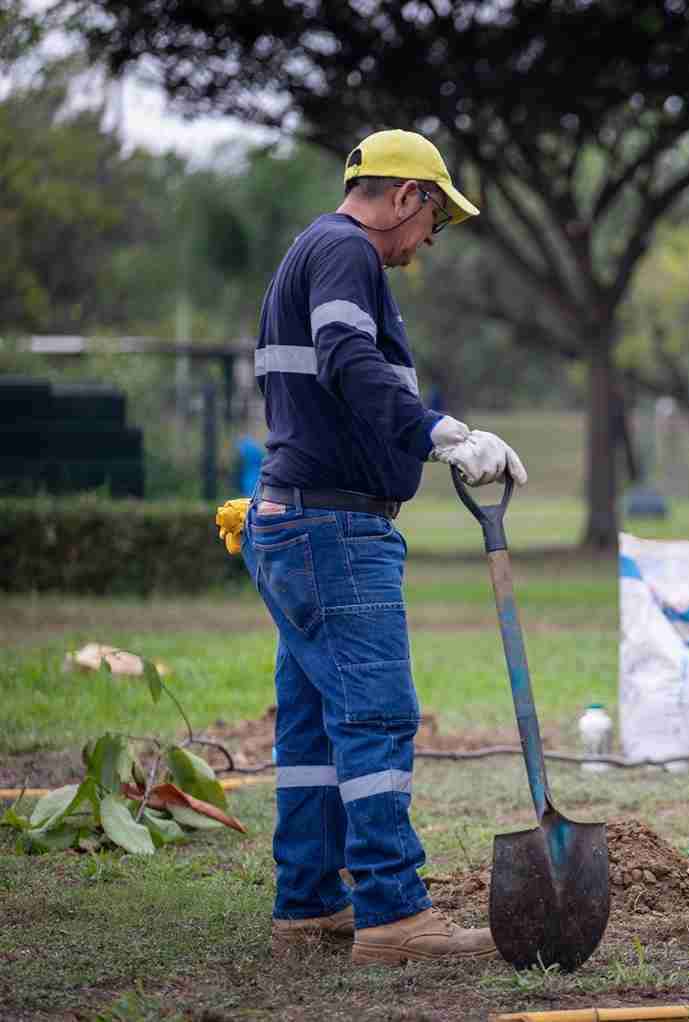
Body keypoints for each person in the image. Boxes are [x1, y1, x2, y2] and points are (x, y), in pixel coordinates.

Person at [245, 129, 528, 964]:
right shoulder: (345, 253)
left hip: (295, 518)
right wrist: (440, 431)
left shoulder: (307, 253)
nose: (430, 240)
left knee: (311, 728)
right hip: (333, 528)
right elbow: (345, 356)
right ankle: (395, 913)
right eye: (434, 218)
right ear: (407, 196)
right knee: (375, 716)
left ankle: (308, 905)